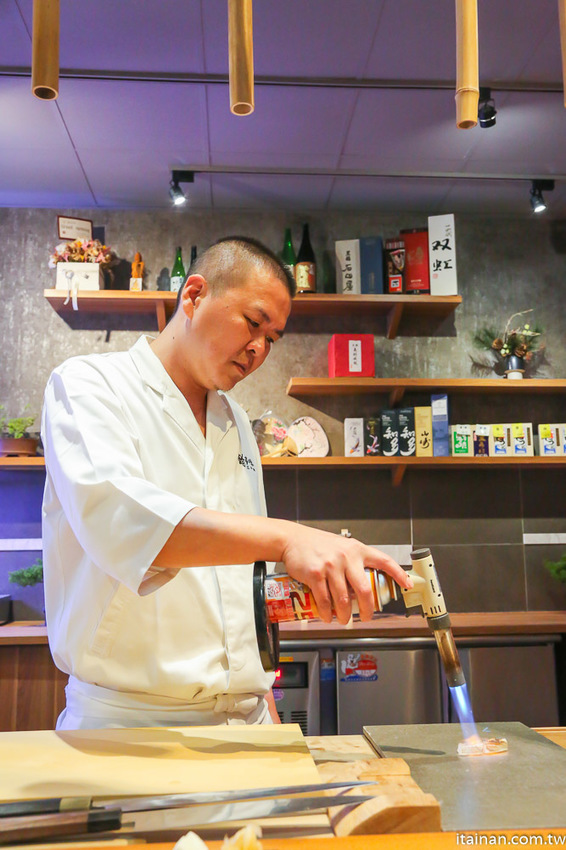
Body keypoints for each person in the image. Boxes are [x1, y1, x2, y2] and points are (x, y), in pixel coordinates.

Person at [41, 236, 412, 730]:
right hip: (131, 723)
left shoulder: (234, 419)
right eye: (254, 322)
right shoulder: (90, 385)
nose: (259, 348)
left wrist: (263, 699)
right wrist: (290, 538)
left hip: (248, 719)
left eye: (272, 338)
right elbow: (122, 523)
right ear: (194, 295)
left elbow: (245, 579)